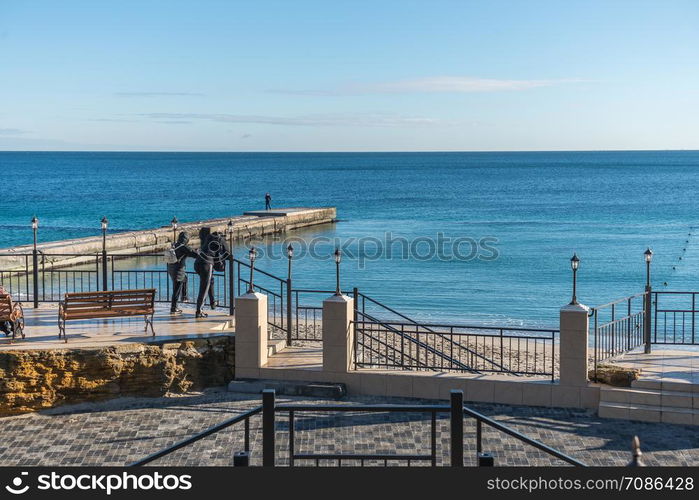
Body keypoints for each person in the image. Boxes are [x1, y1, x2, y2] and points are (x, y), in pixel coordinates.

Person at [193, 228, 230, 318]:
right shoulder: (220, 239)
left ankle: (213, 302)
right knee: (204, 288)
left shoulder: (207, 238)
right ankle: (199, 311)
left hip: (197, 262)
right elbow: (227, 253)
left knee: (210, 281)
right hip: (206, 264)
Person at [167, 232, 198, 314]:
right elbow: (194, 254)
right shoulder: (183, 247)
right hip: (178, 271)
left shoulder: (175, 245)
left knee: (185, 278)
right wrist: (198, 252)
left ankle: (184, 297)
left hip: (171, 269)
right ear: (186, 239)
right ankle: (174, 307)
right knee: (176, 290)